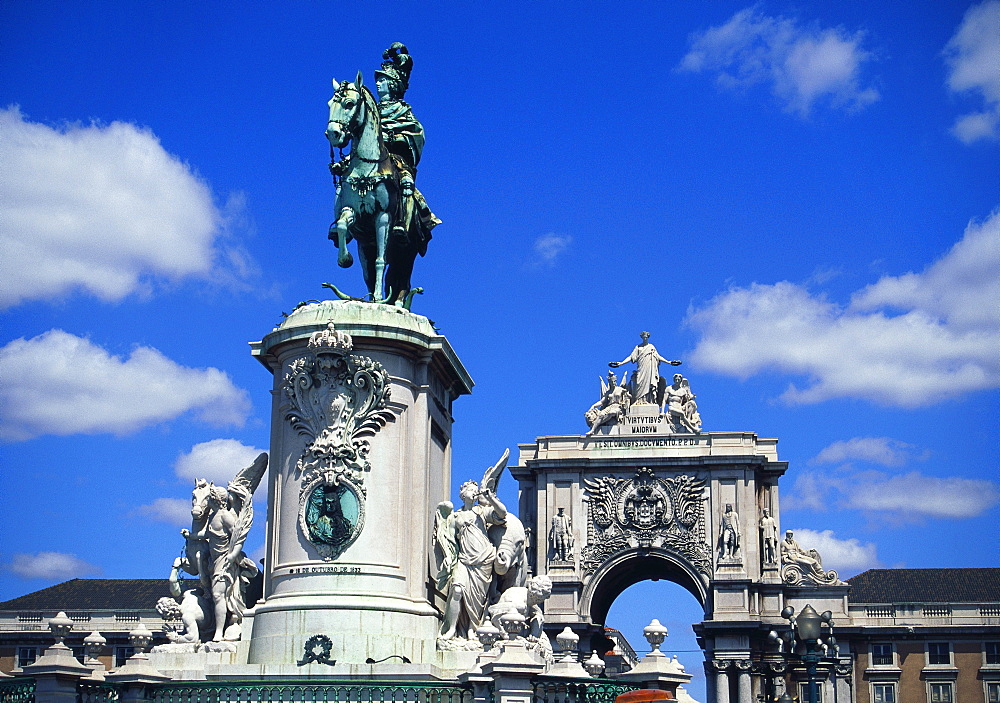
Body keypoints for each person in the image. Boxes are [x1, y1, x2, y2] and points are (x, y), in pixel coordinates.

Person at [372, 43, 441, 246]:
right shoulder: (370, 112)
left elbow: (416, 136)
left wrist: (395, 138)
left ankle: (402, 222)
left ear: (393, 85)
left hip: (397, 162)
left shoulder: (403, 112)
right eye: (378, 80)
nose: (378, 84)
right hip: (372, 160)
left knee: (406, 183)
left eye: (383, 80)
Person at [436, 481, 508, 641]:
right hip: (464, 560)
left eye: (476, 491)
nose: (474, 493)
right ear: (462, 493)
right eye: (471, 490)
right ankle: (451, 628)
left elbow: (502, 513)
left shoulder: (481, 511)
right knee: (457, 590)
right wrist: (448, 557)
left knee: (478, 600)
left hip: (484, 559)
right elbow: (451, 542)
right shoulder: (455, 517)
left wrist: (491, 498)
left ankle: (472, 629)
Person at [610, 332, 681, 405]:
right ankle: (639, 401)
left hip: (650, 369)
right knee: (639, 383)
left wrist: (669, 362)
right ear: (642, 337)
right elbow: (631, 357)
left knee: (650, 383)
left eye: (646, 337)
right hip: (641, 368)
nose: (645, 338)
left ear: (648, 337)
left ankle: (649, 401)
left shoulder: (651, 347)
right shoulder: (638, 347)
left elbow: (658, 356)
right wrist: (621, 363)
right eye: (643, 337)